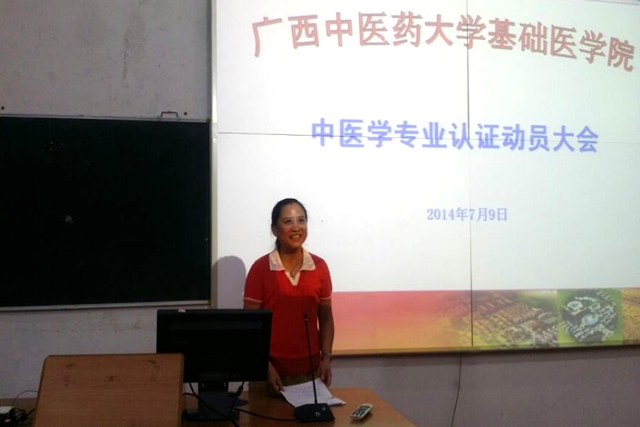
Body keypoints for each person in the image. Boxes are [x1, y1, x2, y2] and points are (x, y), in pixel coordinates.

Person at [243, 198, 335, 396]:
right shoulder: (260, 269)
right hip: (270, 374)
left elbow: (326, 318)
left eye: (301, 220)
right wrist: (266, 366)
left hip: (311, 373)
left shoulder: (320, 267)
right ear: (275, 230)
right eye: (288, 222)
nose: (296, 227)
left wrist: (327, 357)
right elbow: (250, 327)